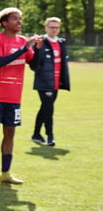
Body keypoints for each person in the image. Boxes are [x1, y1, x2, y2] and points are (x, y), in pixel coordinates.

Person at [0, 7, 40, 184]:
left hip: (13, 96)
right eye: (14, 19)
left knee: (10, 133)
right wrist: (24, 49)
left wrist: (37, 50)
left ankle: (5, 173)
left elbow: (34, 65)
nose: (19, 22)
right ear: (4, 23)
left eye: (20, 19)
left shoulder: (23, 40)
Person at [30, 17, 70, 146]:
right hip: (44, 82)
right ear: (46, 28)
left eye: (56, 27)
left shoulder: (61, 42)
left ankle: (36, 134)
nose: (54, 30)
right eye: (51, 27)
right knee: (49, 108)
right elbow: (35, 61)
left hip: (56, 82)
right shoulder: (41, 42)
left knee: (45, 108)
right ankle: (50, 136)